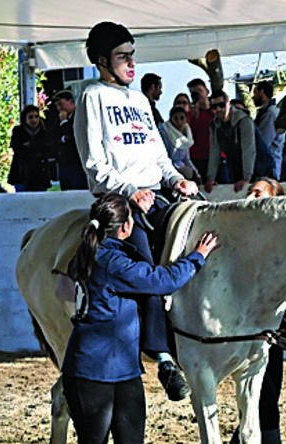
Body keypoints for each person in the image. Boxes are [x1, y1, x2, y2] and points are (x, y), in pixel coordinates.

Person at [62, 193, 220, 444]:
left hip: (121, 369)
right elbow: (161, 280)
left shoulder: (94, 252)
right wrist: (199, 257)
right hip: (93, 371)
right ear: (126, 227)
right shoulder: (110, 261)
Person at [74, 21, 198, 402]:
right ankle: (162, 356)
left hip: (155, 193)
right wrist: (131, 192)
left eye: (132, 55)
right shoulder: (91, 97)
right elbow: (94, 163)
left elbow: (158, 155)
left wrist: (177, 179)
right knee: (144, 260)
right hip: (119, 199)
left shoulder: (140, 101)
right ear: (102, 61)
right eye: (123, 57)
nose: (131, 63)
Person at [210, 177, 286, 444]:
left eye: (260, 194)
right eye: (250, 192)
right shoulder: (235, 239)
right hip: (242, 336)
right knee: (264, 409)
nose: (251, 197)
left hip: (271, 335)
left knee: (262, 407)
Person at [205, 89, 258, 193]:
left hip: (258, 167)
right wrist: (211, 178)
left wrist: (247, 178)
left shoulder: (244, 120)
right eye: (214, 107)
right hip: (236, 168)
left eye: (221, 105)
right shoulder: (214, 126)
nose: (218, 109)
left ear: (228, 104)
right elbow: (214, 152)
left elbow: (249, 149)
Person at [8, 105, 52, 192]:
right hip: (23, 174)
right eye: (30, 117)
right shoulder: (18, 132)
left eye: (36, 117)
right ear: (25, 119)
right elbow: (18, 148)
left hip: (40, 174)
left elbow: (47, 149)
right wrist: (34, 147)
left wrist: (30, 146)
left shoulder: (44, 132)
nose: (34, 120)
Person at [51, 91, 89, 190]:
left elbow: (73, 136)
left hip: (76, 163)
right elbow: (54, 138)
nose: (59, 108)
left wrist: (64, 123)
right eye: (57, 106)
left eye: (61, 104)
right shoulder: (57, 120)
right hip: (63, 163)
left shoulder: (80, 117)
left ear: (71, 102)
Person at [159, 106, 202, 184]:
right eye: (175, 118)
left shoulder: (186, 134)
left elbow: (186, 159)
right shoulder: (164, 132)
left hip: (182, 168)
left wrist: (197, 173)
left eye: (182, 118)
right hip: (168, 170)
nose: (179, 122)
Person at [252, 80, 285, 179]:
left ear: (262, 92)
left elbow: (264, 141)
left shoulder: (270, 114)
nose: (253, 96)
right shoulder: (266, 112)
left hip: (269, 167)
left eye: (255, 92)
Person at [187, 78, 215, 177]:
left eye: (200, 91)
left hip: (216, 156)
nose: (198, 95)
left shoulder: (216, 110)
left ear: (207, 91)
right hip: (197, 157)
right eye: (194, 93)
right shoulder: (190, 114)